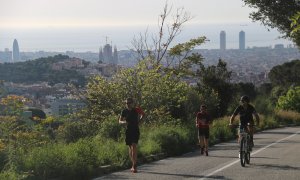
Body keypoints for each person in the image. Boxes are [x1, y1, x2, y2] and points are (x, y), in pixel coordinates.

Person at [119, 98, 144, 173]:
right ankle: (133, 164)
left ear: (133, 103)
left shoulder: (137, 109)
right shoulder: (124, 111)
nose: (128, 104)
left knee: (134, 146)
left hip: (135, 130)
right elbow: (119, 121)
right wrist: (123, 122)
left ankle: (135, 165)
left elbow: (143, 114)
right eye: (127, 103)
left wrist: (140, 121)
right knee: (130, 147)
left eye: (129, 103)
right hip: (128, 131)